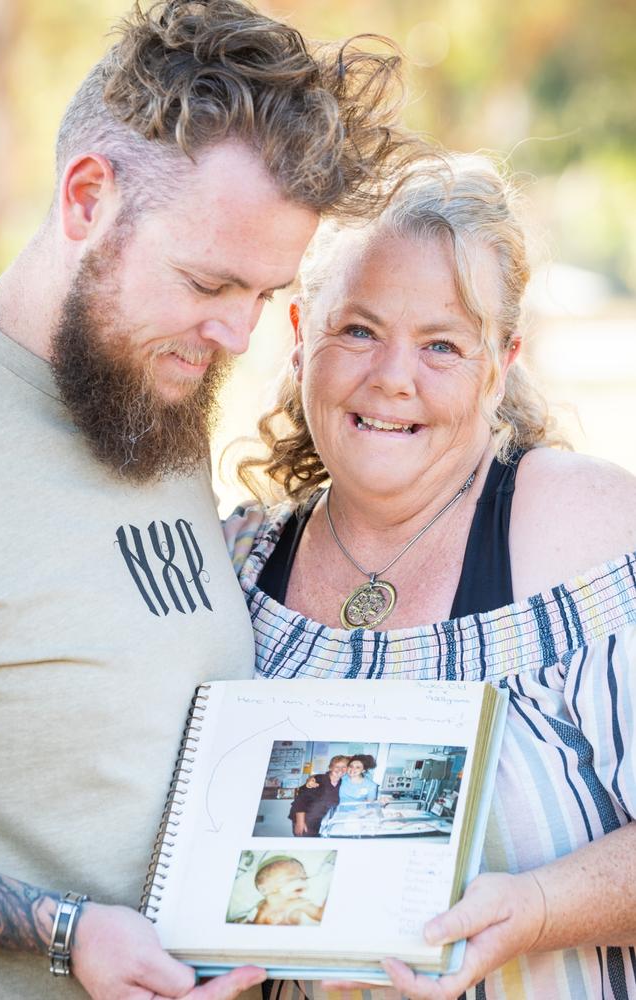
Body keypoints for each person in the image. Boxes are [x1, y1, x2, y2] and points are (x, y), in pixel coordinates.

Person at [0, 2, 419, 997]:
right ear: (86, 200)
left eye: (262, 295)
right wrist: (64, 934)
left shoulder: (145, 394)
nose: (235, 335)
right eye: (208, 281)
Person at [224, 153, 636, 999]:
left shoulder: (582, 530)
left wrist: (540, 907)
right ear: (302, 334)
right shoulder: (236, 562)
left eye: (443, 344)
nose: (393, 379)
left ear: (501, 361)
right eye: (360, 330)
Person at [253, 858, 324, 926]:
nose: (300, 881)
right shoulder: (263, 907)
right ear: (265, 889)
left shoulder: (299, 903)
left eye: (304, 878)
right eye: (291, 879)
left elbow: (320, 915)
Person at [289, 756, 349, 836]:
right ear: (330, 768)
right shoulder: (318, 779)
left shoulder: (343, 783)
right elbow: (300, 799)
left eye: (344, 767)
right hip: (306, 820)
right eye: (337, 766)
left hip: (323, 821)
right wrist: (300, 822)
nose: (340, 769)